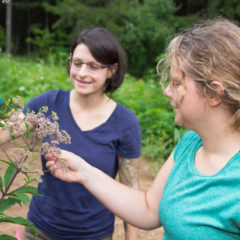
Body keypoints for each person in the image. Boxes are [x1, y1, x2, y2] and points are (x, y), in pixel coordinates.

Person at [46, 18, 240, 240]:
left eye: (177, 83)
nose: (167, 91)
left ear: (213, 94)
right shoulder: (191, 144)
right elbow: (149, 209)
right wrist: (83, 171)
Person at [1, 28, 141, 240]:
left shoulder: (125, 122)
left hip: (93, 235)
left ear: (112, 70)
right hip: (40, 231)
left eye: (93, 66)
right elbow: (6, 132)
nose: (82, 73)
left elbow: (130, 189)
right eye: (77, 63)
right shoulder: (47, 105)